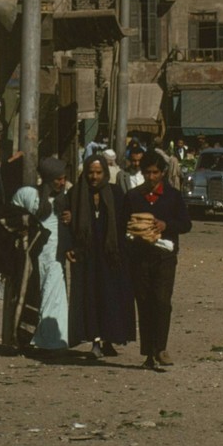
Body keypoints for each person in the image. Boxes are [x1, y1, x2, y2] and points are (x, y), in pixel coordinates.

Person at [121, 150, 191, 372]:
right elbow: (122, 223)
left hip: (164, 257)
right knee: (144, 302)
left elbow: (186, 224)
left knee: (162, 301)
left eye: (155, 173)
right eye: (147, 173)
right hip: (139, 257)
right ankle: (148, 353)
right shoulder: (133, 197)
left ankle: (161, 348)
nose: (151, 177)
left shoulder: (173, 196)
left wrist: (166, 225)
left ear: (162, 173)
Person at [61, 154, 135, 359]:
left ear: (105, 173)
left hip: (111, 256)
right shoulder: (76, 193)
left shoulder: (116, 193)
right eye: (90, 172)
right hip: (86, 256)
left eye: (98, 172)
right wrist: (69, 245)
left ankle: (109, 339)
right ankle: (94, 342)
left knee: (110, 297)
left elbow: (126, 221)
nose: (94, 177)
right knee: (89, 297)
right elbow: (64, 221)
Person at [18, 157, 72, 356]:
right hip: (33, 254)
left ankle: (52, 342)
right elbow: (14, 214)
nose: (61, 183)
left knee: (54, 294)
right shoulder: (28, 195)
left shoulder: (67, 198)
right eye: (57, 179)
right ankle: (31, 338)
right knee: (33, 295)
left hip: (56, 255)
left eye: (64, 178)